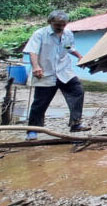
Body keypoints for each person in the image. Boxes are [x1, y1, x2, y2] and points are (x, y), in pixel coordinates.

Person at [23, 10, 91, 140]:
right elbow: (33, 52)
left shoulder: (68, 33)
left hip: (64, 71)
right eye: (57, 25)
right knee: (40, 102)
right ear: (50, 22)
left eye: (63, 24)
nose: (60, 27)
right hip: (46, 72)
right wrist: (36, 67)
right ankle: (33, 130)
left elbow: (69, 48)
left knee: (78, 91)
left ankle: (75, 124)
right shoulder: (40, 34)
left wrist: (79, 57)